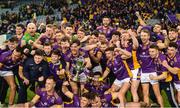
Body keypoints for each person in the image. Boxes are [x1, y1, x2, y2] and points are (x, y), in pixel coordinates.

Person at [137, 29, 164, 107]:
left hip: (153, 72)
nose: (143, 37)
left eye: (145, 35)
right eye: (142, 35)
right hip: (143, 72)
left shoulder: (153, 45)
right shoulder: (140, 46)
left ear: (149, 36)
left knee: (157, 93)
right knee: (145, 94)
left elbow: (164, 46)